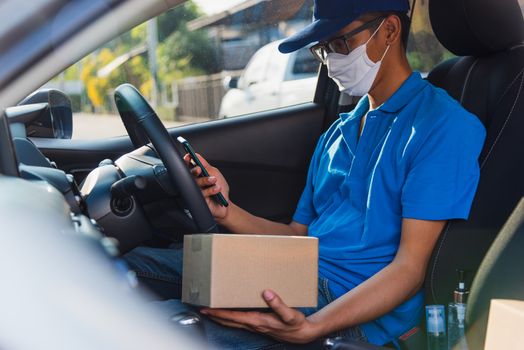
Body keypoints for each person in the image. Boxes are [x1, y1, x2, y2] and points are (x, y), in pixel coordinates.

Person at [124, 0, 486, 348]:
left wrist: (313, 327)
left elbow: (409, 269)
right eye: (323, 49)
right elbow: (298, 236)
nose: (331, 61)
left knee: (150, 331)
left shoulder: (442, 127)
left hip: (351, 310)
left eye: (341, 43)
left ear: (389, 30)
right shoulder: (337, 133)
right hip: (296, 271)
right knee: (123, 263)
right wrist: (227, 211)